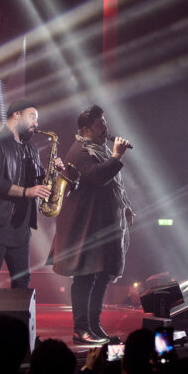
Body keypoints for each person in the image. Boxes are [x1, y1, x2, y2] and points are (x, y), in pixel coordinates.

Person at [47, 104, 133, 345]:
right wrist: (117, 156)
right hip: (83, 229)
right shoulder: (80, 152)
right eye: (99, 125)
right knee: (85, 277)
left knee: (102, 275)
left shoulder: (99, 148)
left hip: (99, 227)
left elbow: (113, 184)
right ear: (85, 130)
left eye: (104, 123)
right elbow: (97, 177)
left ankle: (94, 327)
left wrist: (123, 206)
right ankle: (81, 329)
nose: (105, 128)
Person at [0, 99, 58, 289]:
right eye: (32, 117)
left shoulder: (31, 148)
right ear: (16, 114)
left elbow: (39, 181)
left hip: (20, 227)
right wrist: (27, 192)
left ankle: (18, 320)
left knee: (22, 282)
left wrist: (55, 172)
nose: (36, 123)